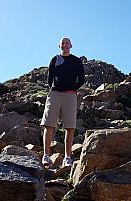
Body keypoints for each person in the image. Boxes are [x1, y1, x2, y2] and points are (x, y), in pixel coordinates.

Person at [40, 37, 85, 167]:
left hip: (70, 96)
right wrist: (55, 88)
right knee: (49, 125)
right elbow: (49, 78)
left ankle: (67, 158)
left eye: (67, 43)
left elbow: (81, 79)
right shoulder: (55, 59)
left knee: (70, 127)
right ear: (59, 45)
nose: (65, 45)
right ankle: (46, 156)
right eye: (63, 43)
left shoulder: (76, 61)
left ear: (71, 45)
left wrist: (72, 88)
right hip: (55, 94)